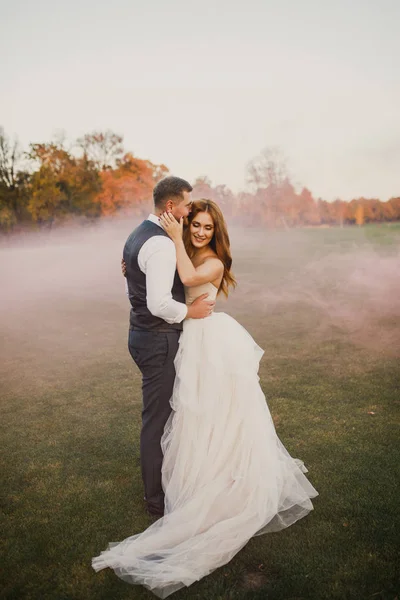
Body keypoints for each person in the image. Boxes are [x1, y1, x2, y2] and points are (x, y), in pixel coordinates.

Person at [92, 199, 318, 598]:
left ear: (216, 233)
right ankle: (190, 479)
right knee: (190, 415)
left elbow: (188, 274)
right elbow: (164, 280)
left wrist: (175, 236)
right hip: (188, 340)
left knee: (216, 412)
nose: (199, 232)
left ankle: (222, 479)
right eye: (194, 225)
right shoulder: (182, 248)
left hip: (211, 341)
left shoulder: (211, 261)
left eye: (206, 228)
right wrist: (135, 270)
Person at [119, 177, 214, 518]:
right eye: (187, 205)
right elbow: (159, 303)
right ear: (171, 207)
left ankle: (168, 482)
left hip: (142, 334)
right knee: (157, 421)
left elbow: (136, 275)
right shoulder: (159, 245)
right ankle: (156, 502)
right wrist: (191, 311)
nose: (190, 210)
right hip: (157, 338)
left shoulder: (139, 232)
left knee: (161, 415)